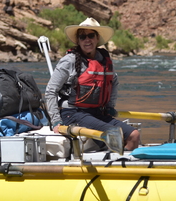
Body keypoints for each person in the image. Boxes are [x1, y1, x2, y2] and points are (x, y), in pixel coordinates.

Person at [45, 17, 140, 152]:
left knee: (134, 135)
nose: (87, 40)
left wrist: (110, 106)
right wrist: (55, 121)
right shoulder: (69, 61)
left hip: (96, 113)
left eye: (90, 35)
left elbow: (114, 82)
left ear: (97, 38)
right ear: (78, 40)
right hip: (73, 113)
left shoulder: (104, 60)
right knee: (114, 134)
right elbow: (50, 91)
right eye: (82, 37)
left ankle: (125, 165)